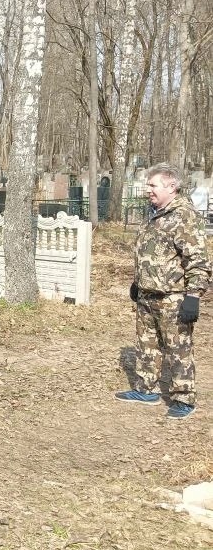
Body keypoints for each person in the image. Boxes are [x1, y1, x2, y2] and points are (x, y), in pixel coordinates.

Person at [116, 163, 210, 419]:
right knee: (147, 345)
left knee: (178, 349)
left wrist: (193, 296)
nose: (148, 190)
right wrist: (138, 282)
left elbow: (198, 260)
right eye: (147, 185)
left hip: (173, 298)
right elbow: (149, 252)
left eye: (153, 185)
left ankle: (184, 399)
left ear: (172, 186)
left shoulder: (184, 216)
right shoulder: (153, 213)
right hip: (147, 294)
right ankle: (146, 389)